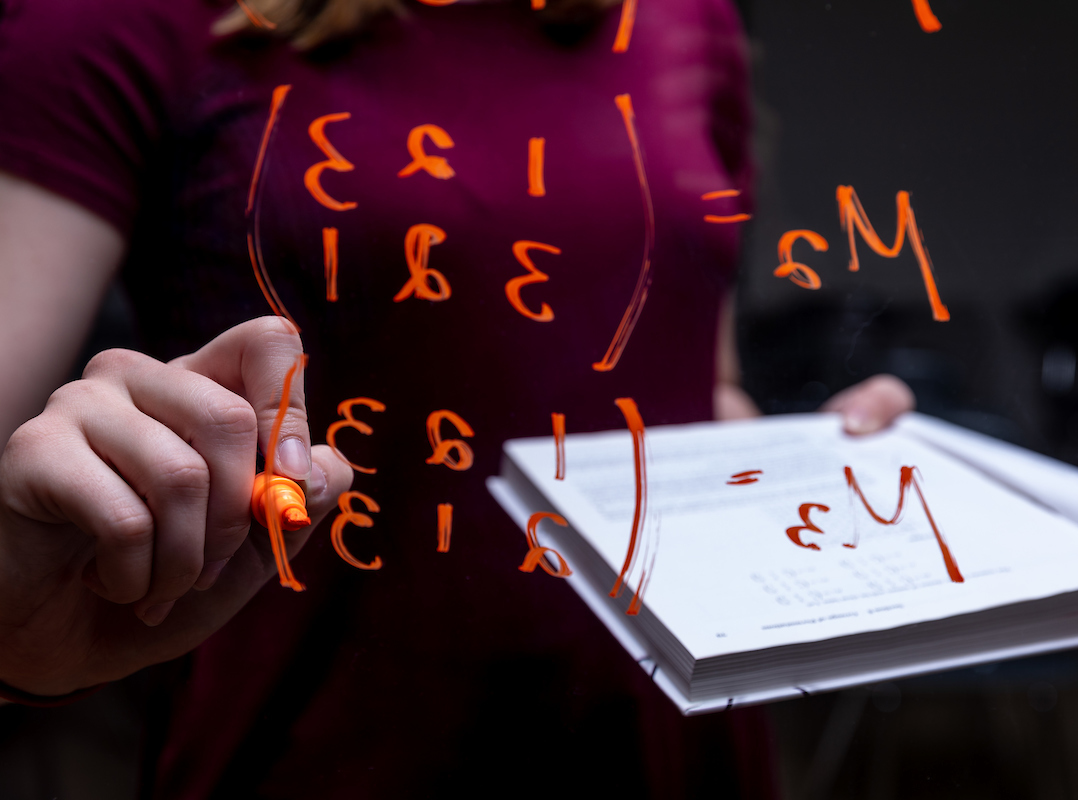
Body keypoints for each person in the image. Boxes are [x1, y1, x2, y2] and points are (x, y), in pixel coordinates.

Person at [0, 0, 913, 795]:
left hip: (673, 754)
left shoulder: (681, 15)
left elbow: (690, 392)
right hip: (315, 759)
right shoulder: (119, 17)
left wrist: (811, 472)